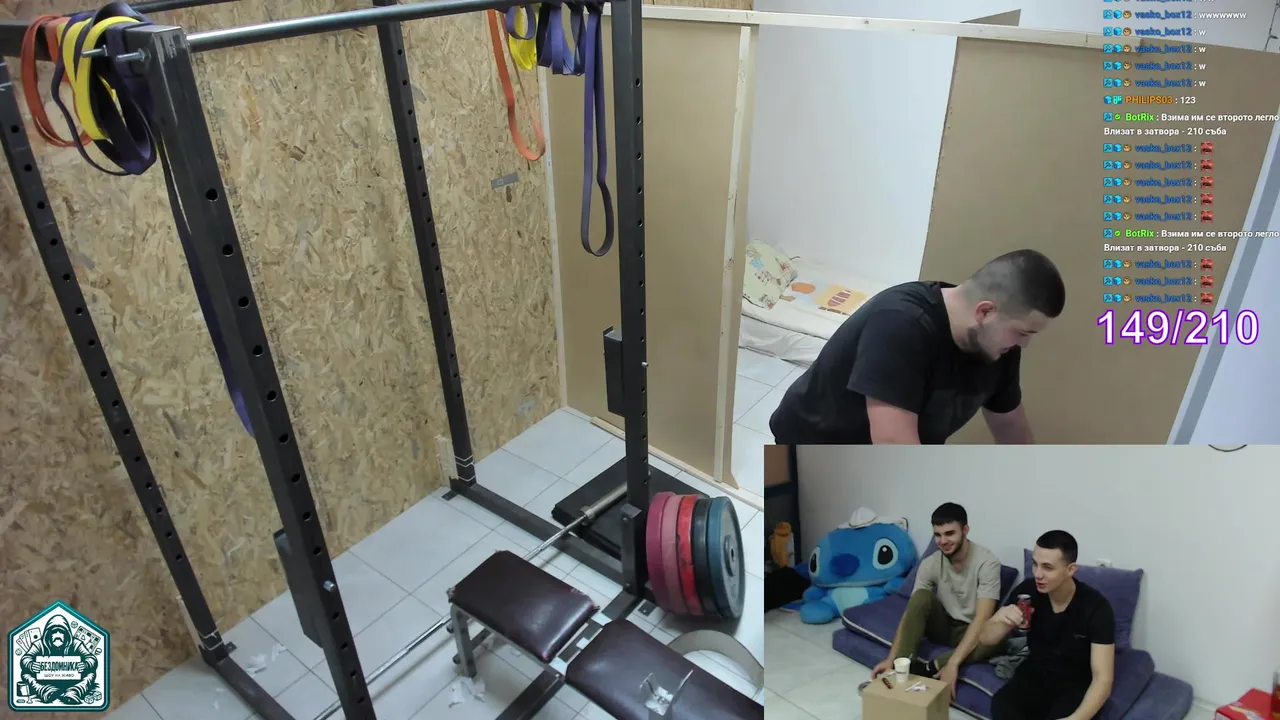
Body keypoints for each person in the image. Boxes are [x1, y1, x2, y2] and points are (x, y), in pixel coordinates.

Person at [768, 249, 1065, 444]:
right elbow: (893, 444)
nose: (1025, 343)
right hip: (815, 444)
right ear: (985, 312)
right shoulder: (901, 325)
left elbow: (1011, 428)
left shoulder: (1001, 346)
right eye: (1022, 332)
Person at [869, 503, 1004, 699]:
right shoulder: (930, 563)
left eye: (950, 533)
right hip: (942, 626)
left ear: (965, 530)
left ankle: (929, 668)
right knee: (921, 596)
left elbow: (982, 618)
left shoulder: (987, 563)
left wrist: (952, 664)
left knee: (999, 638)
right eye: (938, 535)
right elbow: (912, 610)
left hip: (971, 629)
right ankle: (903, 666)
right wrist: (891, 658)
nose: (943, 541)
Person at [980, 531, 1115, 720]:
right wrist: (1000, 620)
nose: (1038, 574)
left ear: (1071, 570)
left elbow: (1103, 679)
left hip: (1076, 684)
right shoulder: (1027, 592)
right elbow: (985, 639)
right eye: (1035, 564)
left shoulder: (1096, 607)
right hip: (1035, 673)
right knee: (1002, 705)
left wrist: (1076, 719)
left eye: (1047, 567)